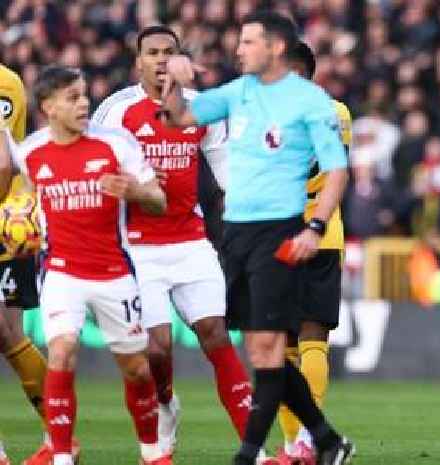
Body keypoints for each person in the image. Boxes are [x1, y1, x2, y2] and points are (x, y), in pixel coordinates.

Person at [159, 11, 354, 465]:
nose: (238, 49)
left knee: (295, 343)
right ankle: (319, 440)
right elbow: (179, 119)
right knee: (266, 348)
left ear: (276, 50)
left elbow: (336, 171)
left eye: (248, 42)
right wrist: (177, 82)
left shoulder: (317, 107)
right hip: (244, 236)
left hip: (297, 234)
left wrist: (316, 226)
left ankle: (272, 450)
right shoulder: (241, 94)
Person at [92, 25, 254, 458]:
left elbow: (225, 170)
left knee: (215, 333)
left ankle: (255, 448)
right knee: (156, 349)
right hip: (139, 247)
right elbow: (93, 169)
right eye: (152, 53)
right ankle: (164, 403)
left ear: (180, 58)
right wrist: (133, 181)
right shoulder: (116, 110)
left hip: (191, 239)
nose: (161, 60)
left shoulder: (203, 109)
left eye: (169, 52)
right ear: (138, 61)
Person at [0, 65, 170, 465]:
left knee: (136, 369)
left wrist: (135, 190)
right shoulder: (31, 153)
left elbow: (159, 201)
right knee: (61, 352)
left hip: (114, 271)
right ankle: (62, 454)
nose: (84, 103)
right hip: (61, 272)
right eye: (73, 97)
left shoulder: (116, 144)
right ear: (49, 107)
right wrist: (20, 229)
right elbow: (22, 197)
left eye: (84, 94)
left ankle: (152, 452)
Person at [273, 41, 352, 465]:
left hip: (288, 238)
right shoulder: (338, 112)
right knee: (305, 342)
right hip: (323, 236)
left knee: (295, 342)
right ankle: (300, 443)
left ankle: (299, 443)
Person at [0, 63, 80, 465]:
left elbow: (1, 161)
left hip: (6, 225)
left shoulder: (3, 83)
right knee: (8, 334)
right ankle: (59, 436)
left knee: (9, 333)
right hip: (10, 224)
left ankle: (59, 436)